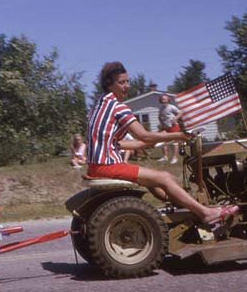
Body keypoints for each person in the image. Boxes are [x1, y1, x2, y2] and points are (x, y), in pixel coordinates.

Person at [86, 62, 238, 226]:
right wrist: (179, 135)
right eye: (121, 82)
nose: (127, 86)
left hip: (98, 165)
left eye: (127, 81)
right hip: (107, 165)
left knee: (156, 179)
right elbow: (143, 135)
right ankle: (205, 213)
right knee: (165, 177)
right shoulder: (117, 107)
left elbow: (116, 142)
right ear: (110, 85)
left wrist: (145, 145)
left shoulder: (100, 105)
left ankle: (183, 206)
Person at [157, 94, 182, 164]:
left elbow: (180, 113)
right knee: (163, 141)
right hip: (166, 127)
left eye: (165, 99)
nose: (163, 100)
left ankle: (175, 158)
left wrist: (175, 118)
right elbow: (159, 117)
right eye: (162, 99)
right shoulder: (161, 108)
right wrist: (161, 123)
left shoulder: (171, 107)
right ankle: (165, 157)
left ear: (168, 100)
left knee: (175, 143)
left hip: (174, 126)